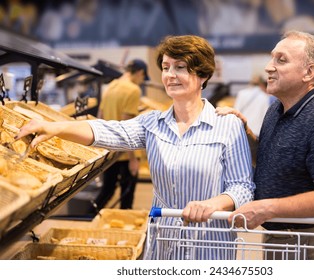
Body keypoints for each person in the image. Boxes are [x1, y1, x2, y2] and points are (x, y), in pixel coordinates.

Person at [15, 35, 255, 260]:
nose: (170, 74)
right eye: (165, 67)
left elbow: (243, 187)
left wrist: (212, 204)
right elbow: (107, 131)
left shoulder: (228, 125)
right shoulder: (152, 123)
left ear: (202, 75)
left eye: (180, 67)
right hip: (164, 242)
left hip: (209, 245)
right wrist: (55, 127)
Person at [217, 30, 314, 260]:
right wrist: (243, 131)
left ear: (309, 72)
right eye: (271, 58)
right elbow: (270, 157)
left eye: (281, 60)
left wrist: (266, 208)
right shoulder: (276, 110)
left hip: (308, 243)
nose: (269, 67)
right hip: (278, 237)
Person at [90, 59, 149, 213]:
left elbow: (100, 117)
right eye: (143, 77)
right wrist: (133, 159)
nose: (142, 81)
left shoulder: (111, 86)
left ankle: (90, 217)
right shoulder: (133, 90)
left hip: (110, 150)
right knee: (126, 199)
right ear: (140, 73)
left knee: (106, 192)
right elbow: (126, 127)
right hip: (124, 154)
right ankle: (125, 233)